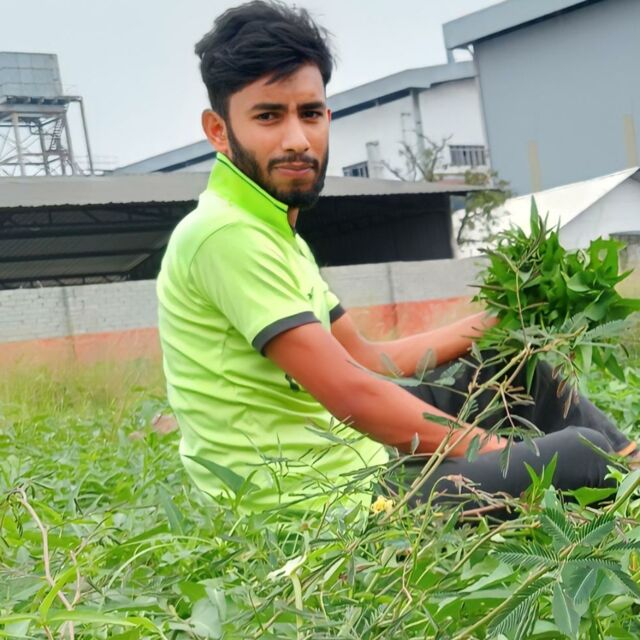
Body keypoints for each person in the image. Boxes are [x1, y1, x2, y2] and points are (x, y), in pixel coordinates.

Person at [156, 0, 635, 514]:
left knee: (514, 369)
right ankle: (623, 477)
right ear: (218, 129)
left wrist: (498, 321)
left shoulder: (274, 233)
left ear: (327, 118)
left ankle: (632, 469)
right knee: (582, 456)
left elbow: (367, 361)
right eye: (268, 116)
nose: (297, 139)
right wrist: (500, 454)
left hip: (357, 458)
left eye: (309, 113)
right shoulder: (224, 234)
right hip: (322, 507)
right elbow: (353, 393)